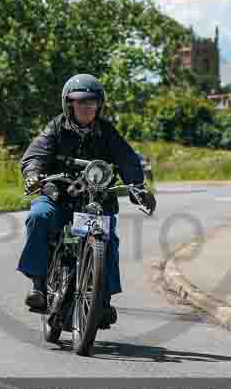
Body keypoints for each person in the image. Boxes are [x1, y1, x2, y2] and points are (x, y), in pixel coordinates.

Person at [17, 74, 156, 329]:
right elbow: (34, 155)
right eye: (79, 102)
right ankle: (38, 286)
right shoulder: (56, 128)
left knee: (109, 240)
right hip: (58, 198)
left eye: (91, 103)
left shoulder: (106, 132)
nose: (86, 107)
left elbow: (127, 160)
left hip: (95, 202)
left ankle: (102, 301)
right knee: (38, 217)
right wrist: (34, 174)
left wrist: (138, 187)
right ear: (68, 104)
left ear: (98, 105)